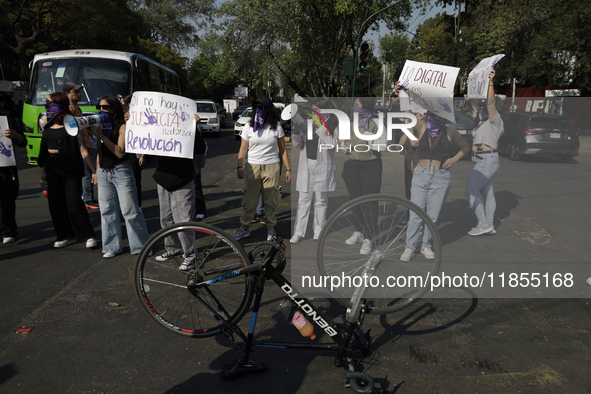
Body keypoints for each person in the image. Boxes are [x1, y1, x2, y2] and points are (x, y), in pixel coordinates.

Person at [397, 102, 470, 262]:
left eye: (437, 114)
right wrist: (402, 94)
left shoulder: (450, 132)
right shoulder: (422, 127)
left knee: (432, 216)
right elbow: (405, 131)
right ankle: (409, 247)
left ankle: (425, 245)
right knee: (415, 214)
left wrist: (454, 159)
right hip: (421, 174)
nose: (433, 116)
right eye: (431, 113)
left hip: (441, 177)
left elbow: (465, 147)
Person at [88, 95, 149, 258]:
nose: (101, 110)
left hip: (121, 171)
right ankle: (111, 246)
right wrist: (96, 170)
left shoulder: (122, 127)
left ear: (114, 109)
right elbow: (101, 151)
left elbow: (120, 152)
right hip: (103, 172)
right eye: (99, 107)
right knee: (107, 211)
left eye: (105, 107)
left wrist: (101, 136)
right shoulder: (100, 125)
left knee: (130, 210)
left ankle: (141, 246)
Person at [37, 92, 97, 249]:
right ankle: (65, 236)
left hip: (71, 169)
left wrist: (94, 171)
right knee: (56, 204)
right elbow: (44, 149)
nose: (46, 105)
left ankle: (88, 235)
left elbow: (83, 149)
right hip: (53, 170)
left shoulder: (72, 125)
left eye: (49, 102)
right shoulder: (47, 126)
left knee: (74, 202)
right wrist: (43, 169)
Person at [233, 96, 291, 241]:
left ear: (269, 110)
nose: (259, 111)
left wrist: (288, 169)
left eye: (263, 108)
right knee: (249, 199)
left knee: (270, 200)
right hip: (252, 166)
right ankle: (244, 228)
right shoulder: (248, 126)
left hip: (272, 166)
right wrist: (239, 166)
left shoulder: (276, 127)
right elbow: (243, 148)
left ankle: (271, 229)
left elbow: (282, 149)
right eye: (256, 107)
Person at [152, 115, 203, 271]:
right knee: (166, 220)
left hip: (182, 180)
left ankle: (190, 256)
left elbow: (200, 149)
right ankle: (173, 250)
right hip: (163, 180)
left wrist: (194, 128)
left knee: (183, 222)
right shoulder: (159, 127)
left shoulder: (190, 128)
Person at [341, 95, 387, 255]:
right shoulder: (352, 124)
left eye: (357, 105)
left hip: (371, 167)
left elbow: (382, 145)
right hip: (353, 166)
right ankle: (358, 231)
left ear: (366, 107)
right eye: (354, 105)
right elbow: (343, 144)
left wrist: (366, 133)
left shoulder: (376, 124)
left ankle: (368, 238)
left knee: (370, 204)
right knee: (355, 202)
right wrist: (345, 144)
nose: (354, 108)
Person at [290, 98, 339, 243]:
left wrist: (318, 128)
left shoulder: (332, 125)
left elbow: (332, 144)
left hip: (323, 167)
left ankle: (319, 230)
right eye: (313, 109)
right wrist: (297, 132)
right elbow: (297, 145)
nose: (314, 112)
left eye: (316, 109)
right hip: (307, 165)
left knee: (321, 200)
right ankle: (299, 232)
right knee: (303, 200)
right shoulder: (308, 123)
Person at [464, 69, 504, 236]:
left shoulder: (496, 121)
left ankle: (483, 222)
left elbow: (490, 102)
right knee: (488, 194)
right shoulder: (481, 122)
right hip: (481, 159)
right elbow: (472, 103)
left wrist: (490, 82)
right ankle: (489, 225)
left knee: (470, 192)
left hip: (487, 160)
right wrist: (470, 86)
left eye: (486, 107)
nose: (483, 108)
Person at [63, 82, 100, 210]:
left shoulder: (76, 108)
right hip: (80, 147)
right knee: (86, 174)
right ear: (67, 94)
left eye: (79, 92)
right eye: (75, 92)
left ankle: (88, 198)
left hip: (85, 144)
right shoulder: (69, 108)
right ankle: (88, 199)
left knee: (87, 173)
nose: (79, 94)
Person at [0, 114, 27, 244]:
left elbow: (23, 142)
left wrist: (14, 135)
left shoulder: (6, 120)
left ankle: (8, 231)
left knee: (6, 200)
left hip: (5, 167)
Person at [120, 95, 145, 206]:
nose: (120, 105)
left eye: (122, 103)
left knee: (135, 178)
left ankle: (137, 204)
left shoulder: (139, 116)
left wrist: (143, 155)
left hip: (135, 153)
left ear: (129, 104)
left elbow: (145, 136)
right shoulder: (120, 117)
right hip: (124, 151)